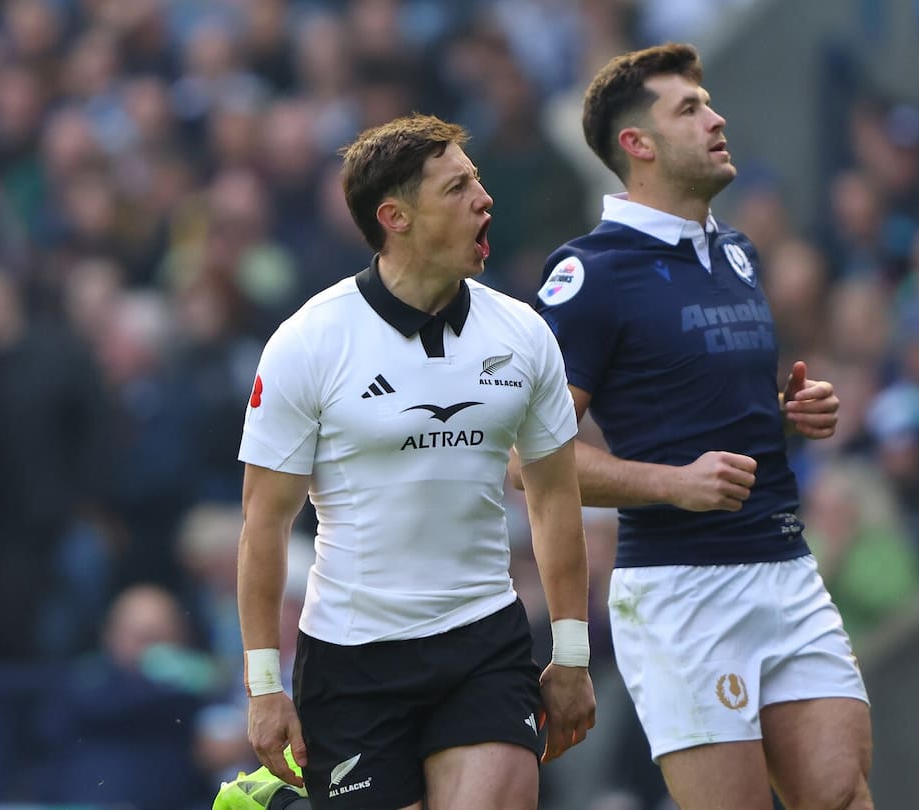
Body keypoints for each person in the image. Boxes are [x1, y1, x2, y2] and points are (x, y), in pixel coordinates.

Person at [526, 44, 872, 808]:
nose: (717, 118)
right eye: (689, 108)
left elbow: (709, 421)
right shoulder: (589, 276)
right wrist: (670, 484)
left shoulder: (739, 253)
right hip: (681, 590)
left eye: (709, 102)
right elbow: (528, 458)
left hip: (785, 565)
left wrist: (785, 419)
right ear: (636, 144)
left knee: (842, 794)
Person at [218, 113, 596, 810]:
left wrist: (571, 653)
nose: (484, 199)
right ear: (396, 217)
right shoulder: (309, 342)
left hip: (483, 643)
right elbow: (262, 524)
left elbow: (551, 496)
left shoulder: (525, 334)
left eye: (478, 182)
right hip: (353, 660)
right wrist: (265, 687)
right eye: (457, 189)